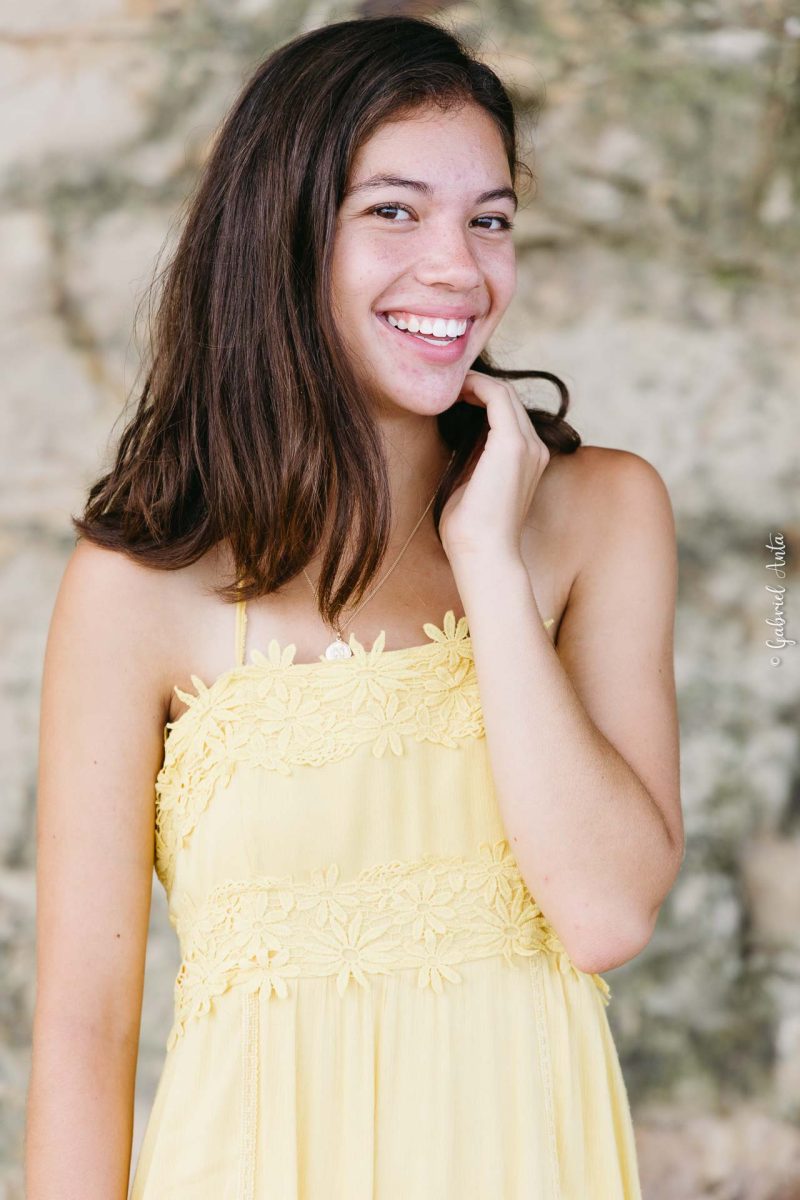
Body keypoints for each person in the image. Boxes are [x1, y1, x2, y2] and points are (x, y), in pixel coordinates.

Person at [25, 13, 683, 1199]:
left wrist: (486, 560)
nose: (456, 267)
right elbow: (82, 1028)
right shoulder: (137, 584)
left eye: (488, 219)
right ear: (281, 235)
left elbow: (603, 915)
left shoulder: (599, 516)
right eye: (393, 210)